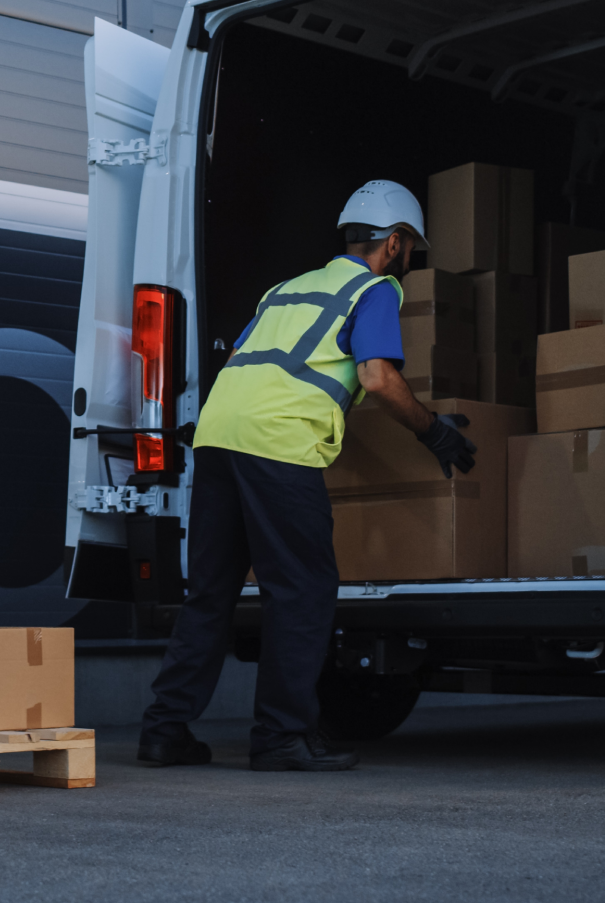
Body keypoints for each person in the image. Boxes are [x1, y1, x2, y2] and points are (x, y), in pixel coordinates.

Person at [137, 180, 476, 772]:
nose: (409, 259)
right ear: (394, 243)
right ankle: (280, 739)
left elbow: (247, 360)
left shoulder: (286, 289)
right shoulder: (376, 289)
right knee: (301, 592)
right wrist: (432, 431)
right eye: (411, 248)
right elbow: (375, 378)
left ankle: (163, 731)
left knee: (210, 595)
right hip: (278, 444)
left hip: (218, 436)